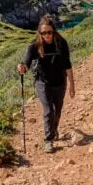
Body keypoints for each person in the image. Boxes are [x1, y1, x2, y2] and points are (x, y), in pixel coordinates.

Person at [17, 15, 74, 152]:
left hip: (60, 81)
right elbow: (27, 65)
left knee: (57, 111)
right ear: (39, 33)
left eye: (49, 32)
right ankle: (49, 140)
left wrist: (72, 85)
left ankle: (54, 130)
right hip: (42, 82)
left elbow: (68, 65)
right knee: (49, 110)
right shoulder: (34, 46)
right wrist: (22, 68)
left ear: (54, 31)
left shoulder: (61, 43)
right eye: (43, 33)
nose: (47, 36)